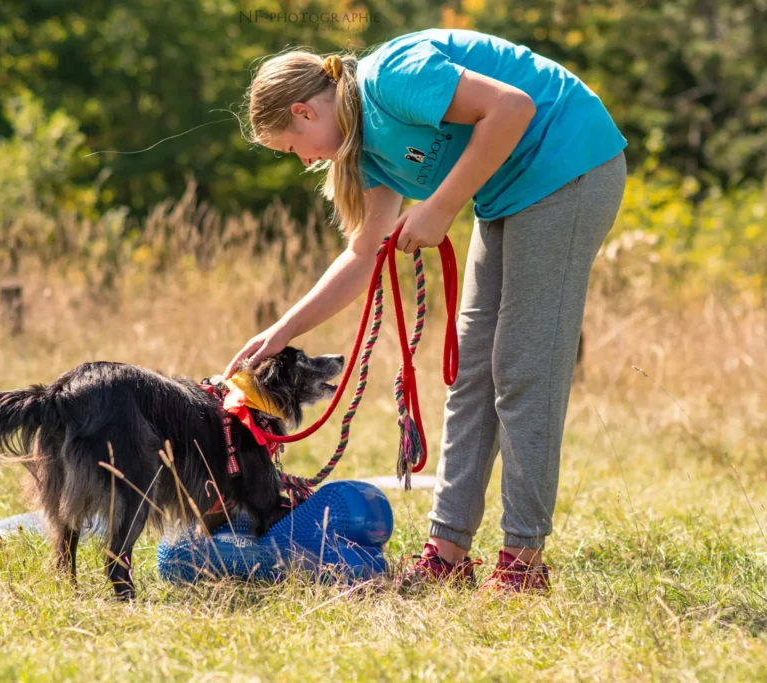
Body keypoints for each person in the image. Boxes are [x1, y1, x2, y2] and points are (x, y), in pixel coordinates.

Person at [225, 28, 627, 592]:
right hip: (507, 194)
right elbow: (362, 255)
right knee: (471, 371)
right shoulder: (362, 152)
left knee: (523, 368)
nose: (304, 159)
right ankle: (448, 552)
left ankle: (523, 562)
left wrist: (439, 208)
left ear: (304, 112)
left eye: (293, 147)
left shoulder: (391, 78)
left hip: (568, 163)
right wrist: (281, 330)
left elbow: (512, 109)